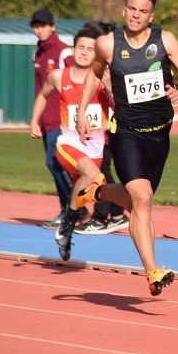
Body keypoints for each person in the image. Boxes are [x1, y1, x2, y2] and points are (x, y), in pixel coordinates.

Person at [77, 0, 178, 296]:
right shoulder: (107, 44)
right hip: (126, 133)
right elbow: (94, 75)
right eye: (131, 9)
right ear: (124, 11)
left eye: (142, 11)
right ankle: (152, 271)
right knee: (143, 199)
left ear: (151, 16)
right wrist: (82, 112)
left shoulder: (165, 41)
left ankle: (98, 191)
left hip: (159, 134)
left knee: (137, 200)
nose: (135, 15)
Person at [30, 23, 112, 260]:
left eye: (90, 48)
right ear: (72, 50)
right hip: (68, 144)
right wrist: (35, 121)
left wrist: (108, 87)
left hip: (95, 147)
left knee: (89, 187)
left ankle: (66, 230)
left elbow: (117, 104)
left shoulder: (102, 78)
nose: (85, 52)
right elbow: (43, 96)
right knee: (94, 177)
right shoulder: (58, 76)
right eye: (80, 47)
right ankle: (68, 222)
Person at [76, 20, 130, 236]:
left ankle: (101, 217)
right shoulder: (90, 71)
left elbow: (119, 102)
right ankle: (116, 215)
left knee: (102, 173)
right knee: (103, 173)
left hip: (112, 132)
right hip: (97, 133)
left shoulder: (112, 70)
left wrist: (108, 87)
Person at [30, 7, 74, 228]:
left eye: (43, 25)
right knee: (54, 164)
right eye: (36, 26)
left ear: (53, 26)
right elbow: (40, 89)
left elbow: (77, 81)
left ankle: (75, 208)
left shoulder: (64, 52)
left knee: (55, 162)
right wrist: (35, 119)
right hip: (46, 119)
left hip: (62, 118)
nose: (39, 30)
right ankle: (68, 209)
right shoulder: (37, 53)